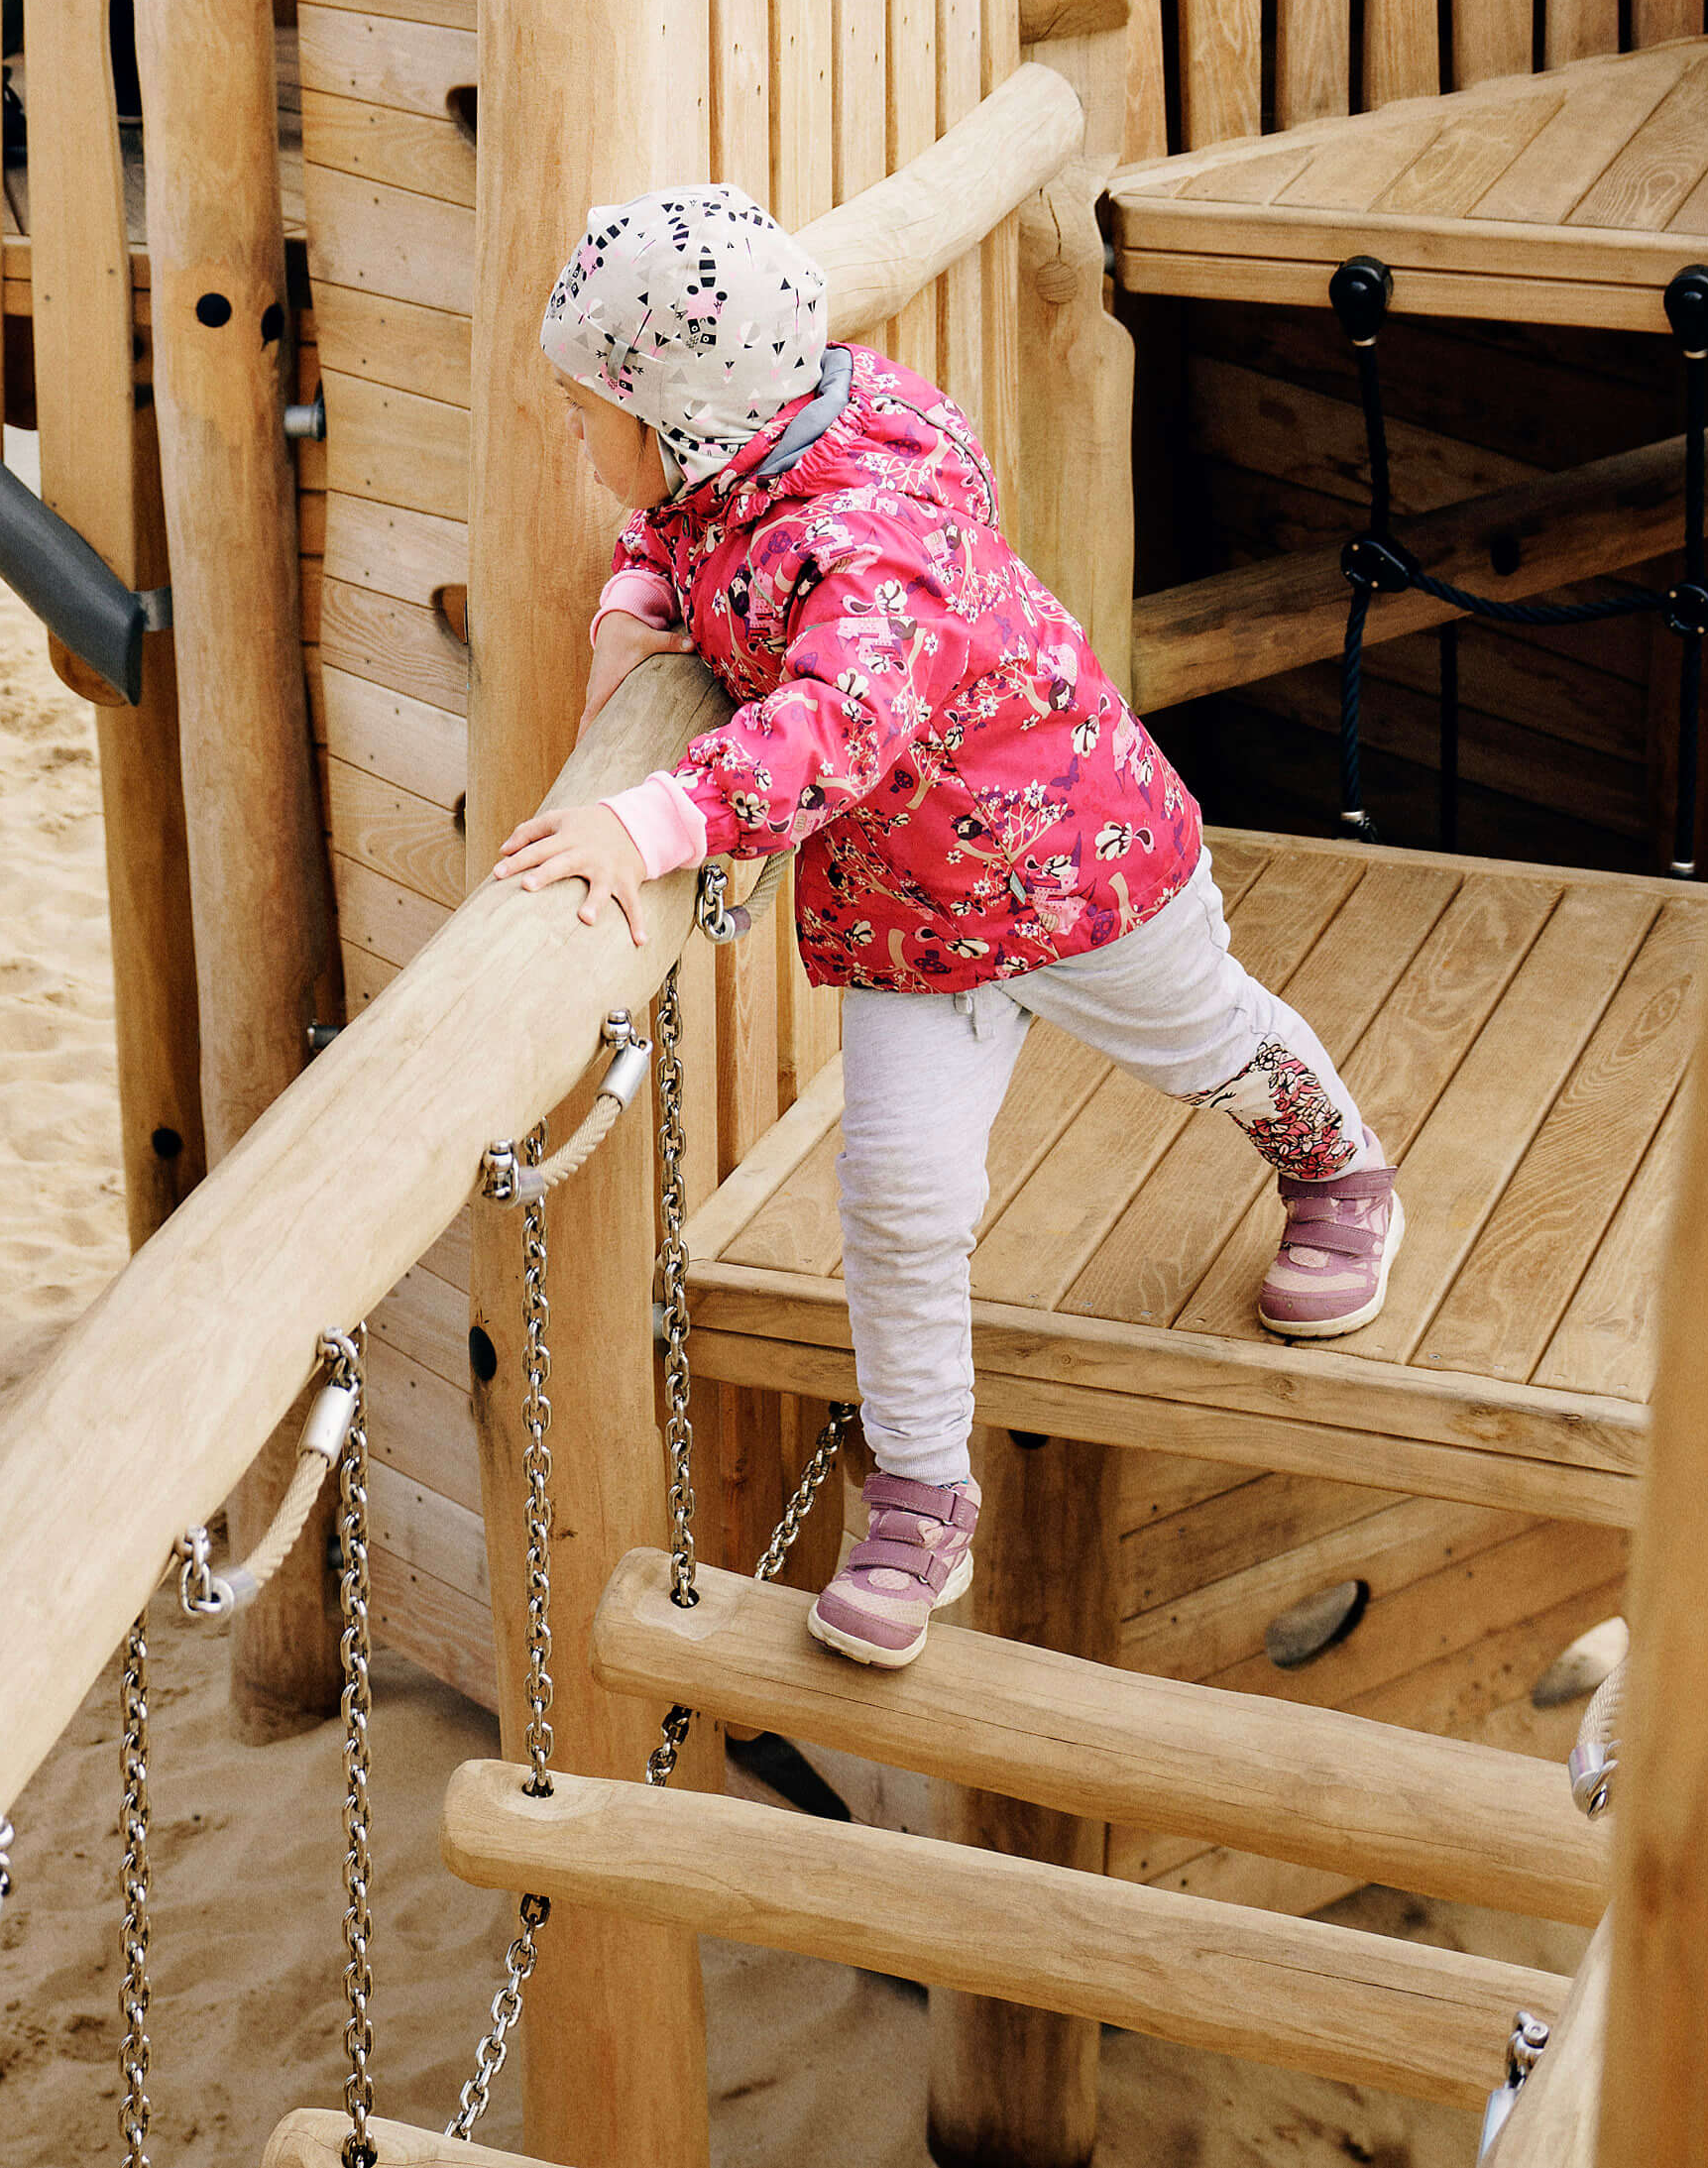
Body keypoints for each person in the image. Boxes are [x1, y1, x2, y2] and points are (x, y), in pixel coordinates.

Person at [496, 182, 1403, 1673]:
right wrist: (623, 616)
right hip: (916, 934)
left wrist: (641, 818)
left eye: (588, 408)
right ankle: (921, 1494)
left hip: (1084, 878)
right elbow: (674, 530)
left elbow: (825, 733)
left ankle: (1335, 1166)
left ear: (682, 421)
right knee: (899, 1205)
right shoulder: (762, 443)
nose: (570, 433)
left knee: (1212, 1042)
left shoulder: (865, 542)